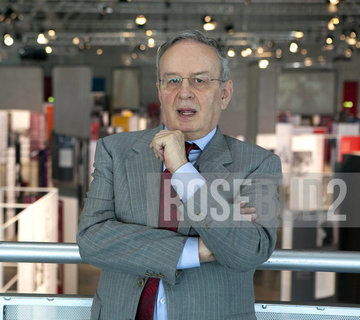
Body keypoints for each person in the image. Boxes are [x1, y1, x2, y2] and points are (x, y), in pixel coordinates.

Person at [77, 30, 282, 320]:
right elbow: (91, 239)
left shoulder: (258, 165)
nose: (184, 92)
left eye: (199, 80)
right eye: (172, 80)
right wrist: (196, 250)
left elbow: (249, 251)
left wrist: (182, 170)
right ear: (160, 91)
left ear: (224, 93)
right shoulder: (116, 151)